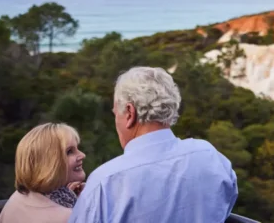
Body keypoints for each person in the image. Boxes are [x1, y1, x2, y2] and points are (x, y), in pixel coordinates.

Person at [69, 66, 238, 223]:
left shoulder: (104, 182)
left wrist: (87, 203)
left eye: (116, 114)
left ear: (129, 113)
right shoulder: (211, 157)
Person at [0, 123, 86, 223]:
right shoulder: (67, 217)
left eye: (77, 148)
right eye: (69, 152)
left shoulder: (18, 198)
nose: (82, 155)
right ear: (48, 162)